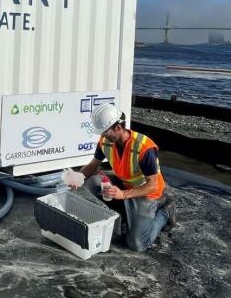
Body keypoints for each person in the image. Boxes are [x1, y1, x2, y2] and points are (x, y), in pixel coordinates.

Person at [67, 103, 176, 251]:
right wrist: (78, 177)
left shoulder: (144, 147)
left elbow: (153, 185)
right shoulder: (105, 141)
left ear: (118, 127)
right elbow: (93, 166)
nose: (103, 135)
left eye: (105, 131)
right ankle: (125, 214)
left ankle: (164, 213)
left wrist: (123, 194)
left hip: (147, 193)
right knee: (93, 181)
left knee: (137, 244)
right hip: (126, 185)